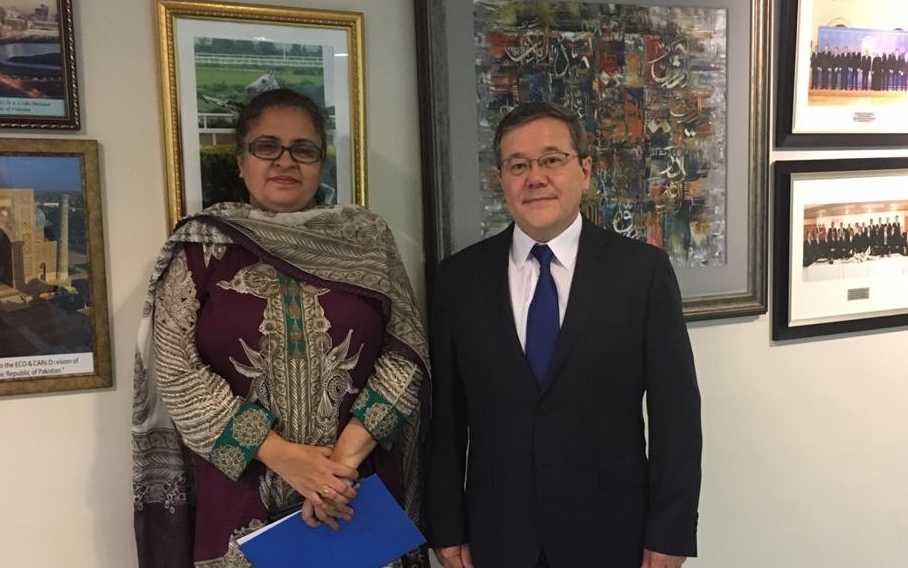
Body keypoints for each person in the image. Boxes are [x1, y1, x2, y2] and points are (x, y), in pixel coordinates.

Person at [132, 88, 430, 567]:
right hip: (242, 496)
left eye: (303, 149)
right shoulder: (202, 246)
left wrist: (339, 466)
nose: (285, 161)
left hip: (353, 492)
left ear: (320, 162)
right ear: (241, 160)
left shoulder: (367, 240)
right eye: (267, 146)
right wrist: (281, 455)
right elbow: (175, 370)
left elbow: (406, 351)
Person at [426, 102, 702, 568]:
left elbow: (677, 415)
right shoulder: (458, 281)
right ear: (501, 179)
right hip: (498, 537)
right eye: (518, 166)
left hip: (613, 536)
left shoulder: (642, 273)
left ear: (585, 170)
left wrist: (671, 534)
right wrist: (447, 525)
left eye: (552, 160)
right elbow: (446, 419)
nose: (535, 178)